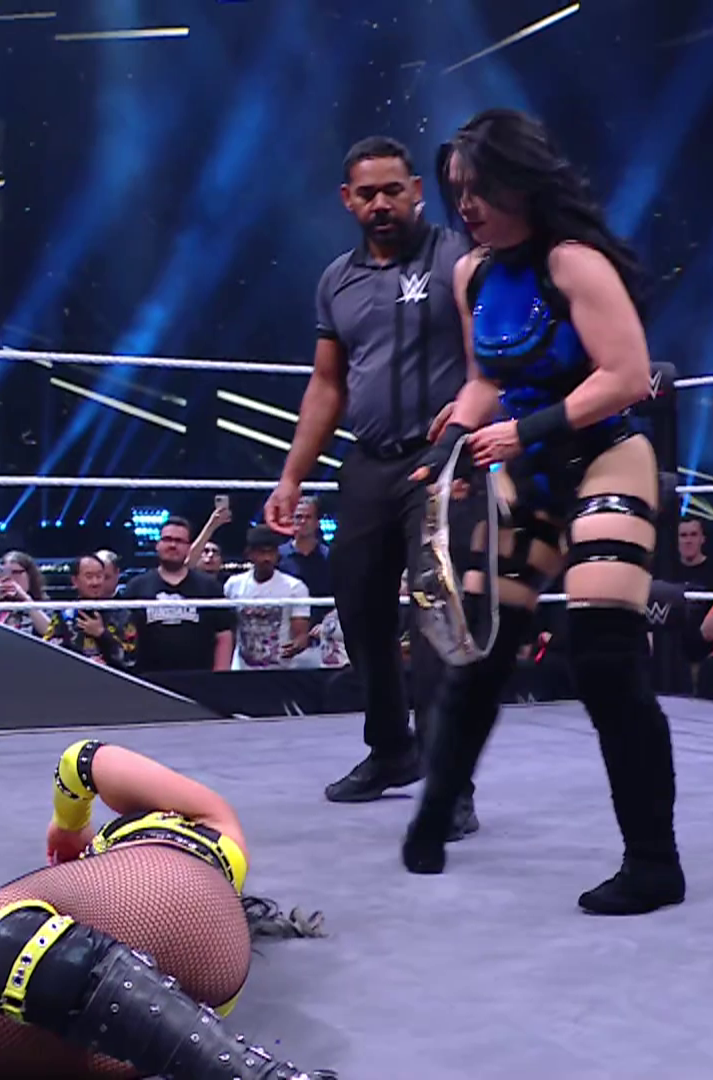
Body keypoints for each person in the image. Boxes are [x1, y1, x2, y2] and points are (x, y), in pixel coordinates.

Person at [395, 108, 683, 916]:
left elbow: (626, 376)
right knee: (481, 649)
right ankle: (435, 813)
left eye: (480, 188)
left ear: (521, 182)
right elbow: (485, 378)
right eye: (457, 190)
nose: (467, 206)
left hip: (605, 455)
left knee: (603, 655)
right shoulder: (473, 274)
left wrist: (522, 431)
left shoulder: (574, 262)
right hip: (524, 467)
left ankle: (654, 862)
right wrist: (452, 435)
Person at [0, 740, 333, 1080]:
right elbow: (2, 934)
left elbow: (84, 760)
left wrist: (69, 825)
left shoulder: (207, 821)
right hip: (114, 1023)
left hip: (181, 899)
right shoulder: (68, 914)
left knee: (1, 931)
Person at [262, 135, 473, 824]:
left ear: (416, 191)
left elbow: (490, 357)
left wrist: (476, 429)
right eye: (367, 193)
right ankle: (391, 750)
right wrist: (293, 476)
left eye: (392, 190)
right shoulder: (337, 279)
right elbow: (326, 384)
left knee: (438, 616)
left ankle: (450, 781)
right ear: (347, 200)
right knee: (358, 609)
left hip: (442, 461)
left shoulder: (459, 256)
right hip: (368, 462)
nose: (381, 203)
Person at [122, 517, 234, 673]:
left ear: (189, 547)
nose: (173, 545)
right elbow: (124, 635)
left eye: (179, 541)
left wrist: (220, 675)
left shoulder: (209, 587)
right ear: (158, 545)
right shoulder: (136, 587)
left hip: (200, 678)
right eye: (167, 539)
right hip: (147, 678)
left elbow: (224, 635)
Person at [225, 525, 313, 670]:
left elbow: (301, 634)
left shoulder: (294, 587)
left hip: (280, 669)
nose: (267, 558)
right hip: (242, 667)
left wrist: (297, 644)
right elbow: (228, 629)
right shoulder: (233, 585)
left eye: (271, 552)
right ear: (249, 554)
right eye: (261, 552)